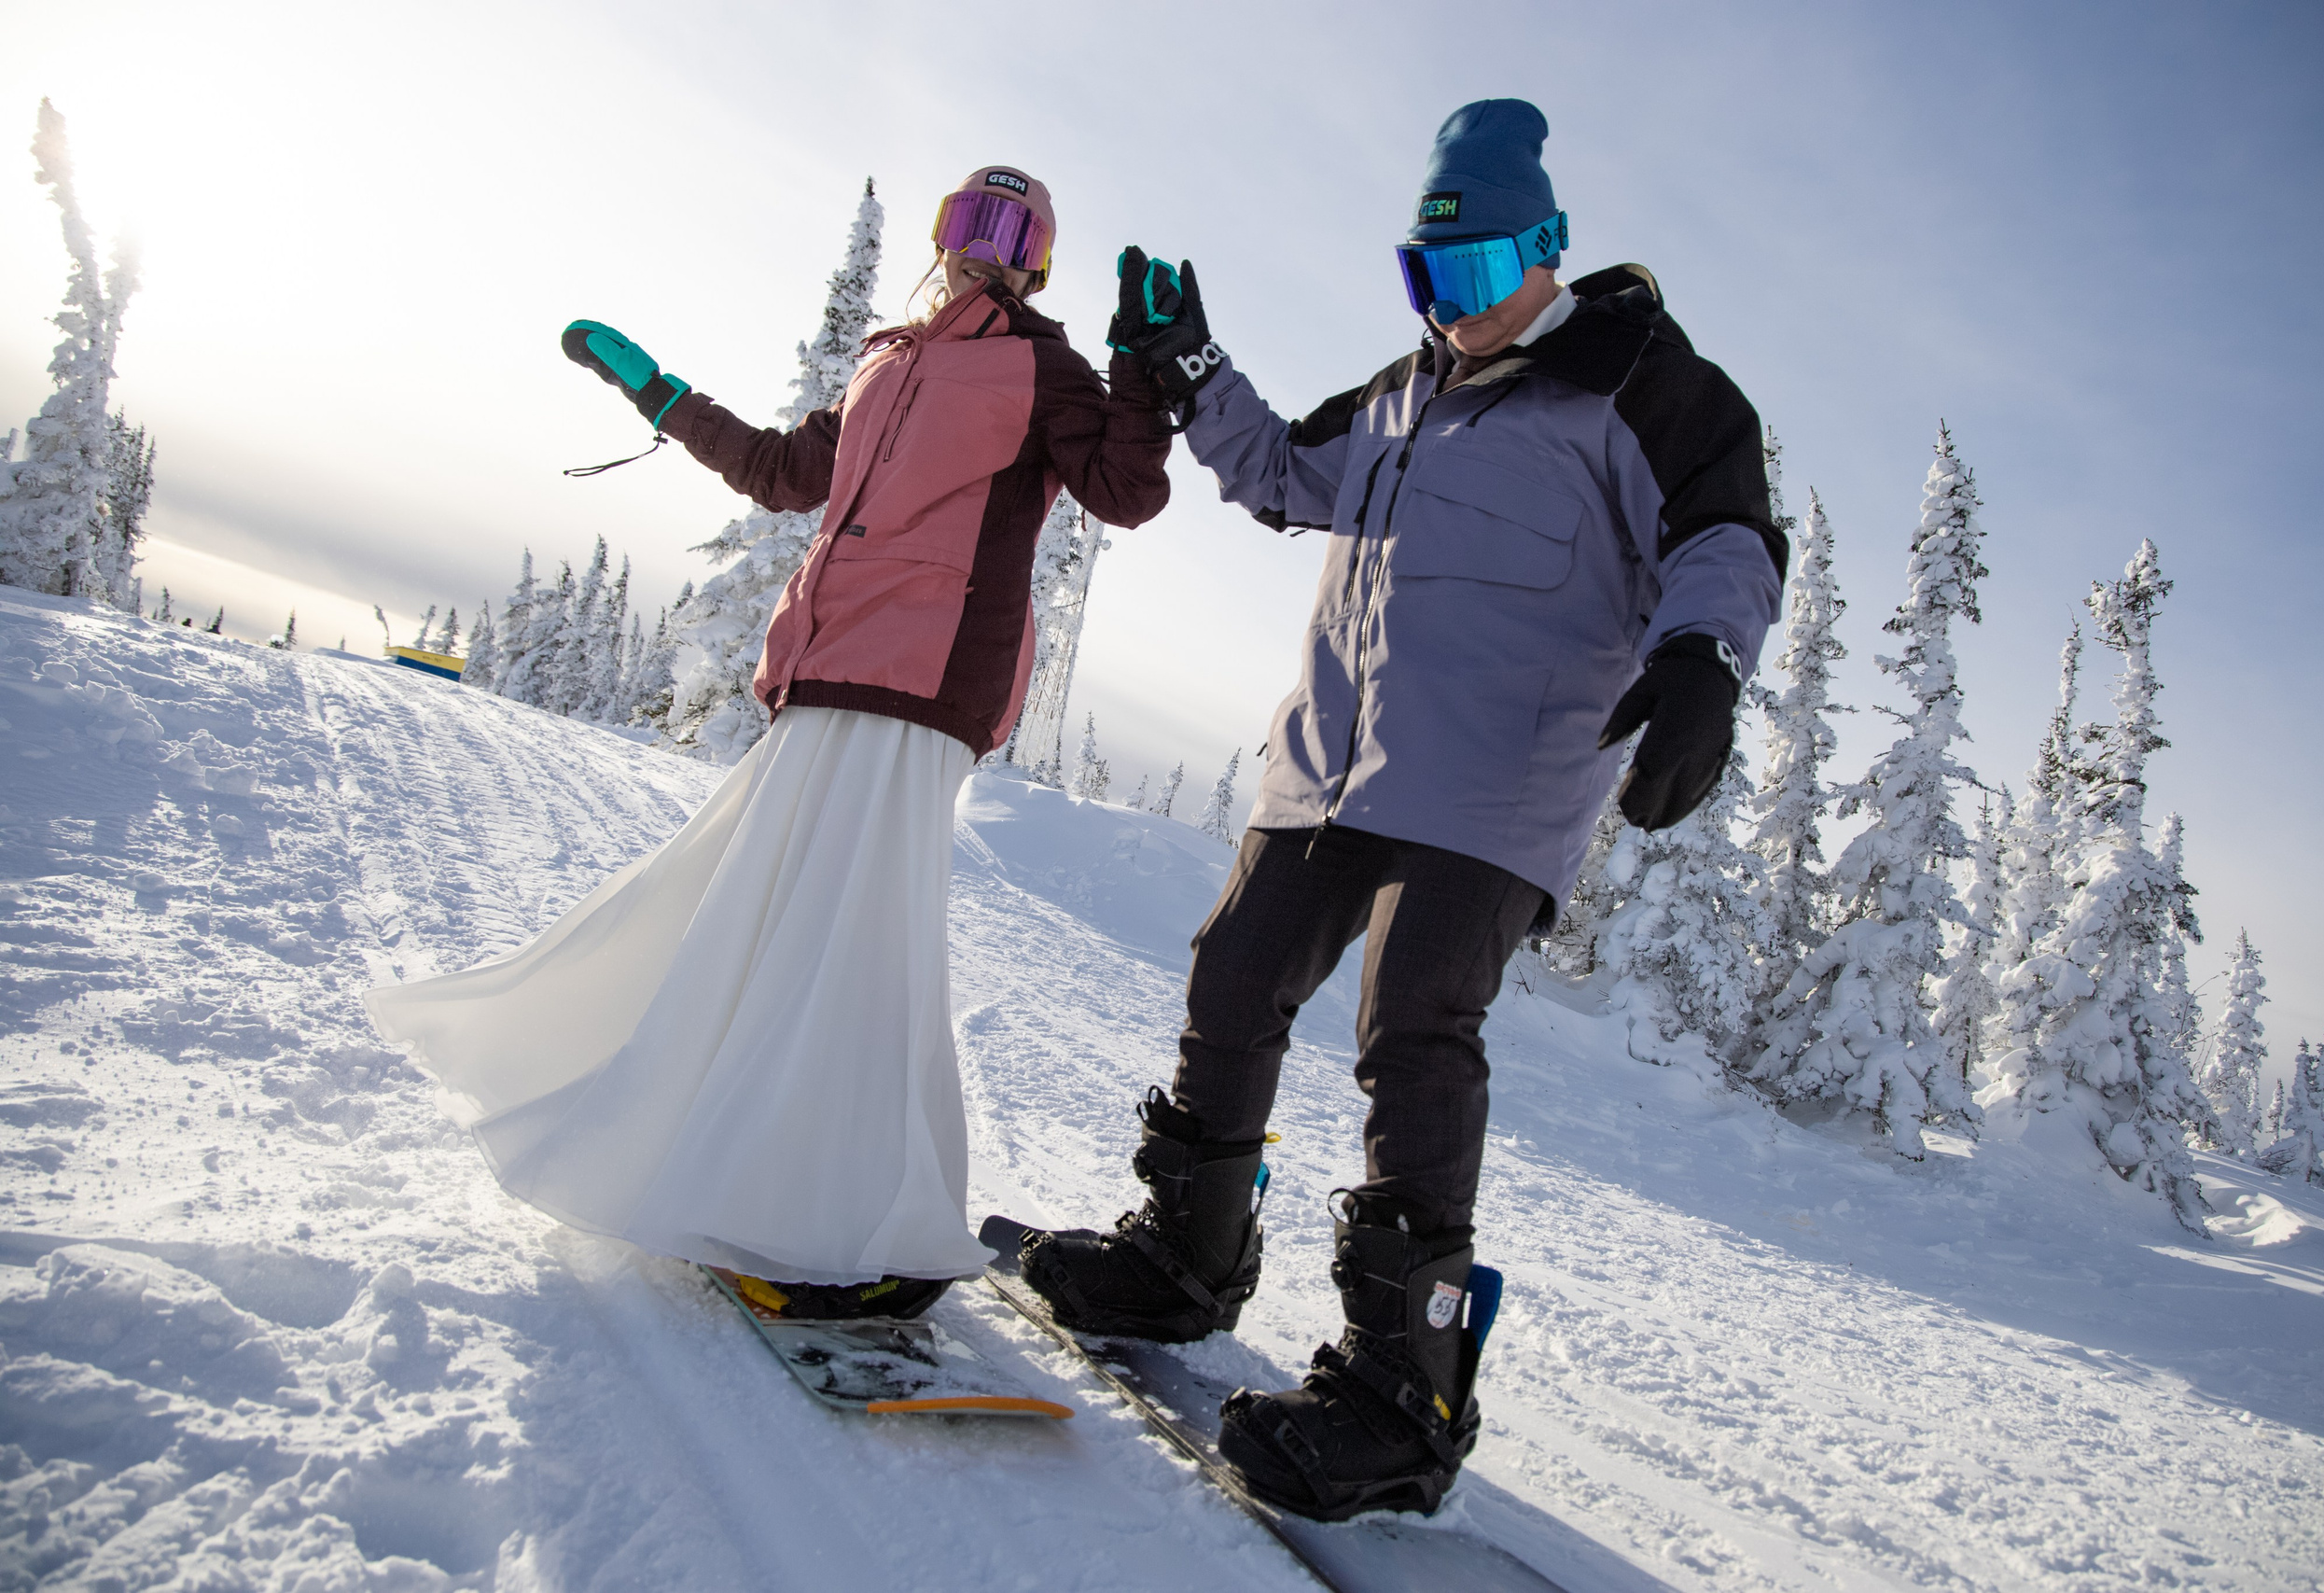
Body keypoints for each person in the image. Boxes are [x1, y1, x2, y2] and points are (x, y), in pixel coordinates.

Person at [1011, 101, 1786, 1518]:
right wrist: (1191, 363)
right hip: (1328, 763)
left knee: (1414, 1022)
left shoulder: (1643, 384)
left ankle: (1403, 1391)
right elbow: (1277, 472)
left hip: (1494, 781)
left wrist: (1701, 658)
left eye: (1481, 276)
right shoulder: (1398, 393)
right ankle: (1186, 1258)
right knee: (1232, 973)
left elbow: (1726, 532)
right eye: (1426, 280)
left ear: (1548, 251)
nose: (1453, 310)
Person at [366, 166, 1170, 1320]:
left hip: (928, 674)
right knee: (749, 908)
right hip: (833, 663)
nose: (979, 245)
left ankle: (865, 1222)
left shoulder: (1043, 367)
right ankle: (750, 1163)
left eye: (1008, 230)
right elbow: (780, 475)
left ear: (1036, 259)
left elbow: (1126, 492)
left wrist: (1142, 370)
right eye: (964, 221)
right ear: (941, 238)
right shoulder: (887, 361)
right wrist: (658, 393)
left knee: (860, 943)